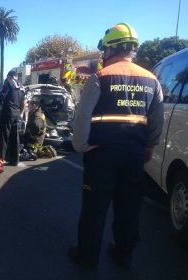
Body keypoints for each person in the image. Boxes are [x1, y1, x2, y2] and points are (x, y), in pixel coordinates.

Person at [68, 23, 164, 269]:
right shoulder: (152, 80)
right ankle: (124, 254)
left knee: (94, 209)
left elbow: (82, 117)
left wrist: (80, 145)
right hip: (133, 156)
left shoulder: (99, 77)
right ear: (132, 48)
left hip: (100, 155)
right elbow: (156, 120)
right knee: (128, 209)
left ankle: (87, 257)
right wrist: (150, 145)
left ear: (110, 49)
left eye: (103, 51)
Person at [0, 70, 26, 166]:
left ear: (9, 76)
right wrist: (20, 113)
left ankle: (0, 159)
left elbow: (2, 97)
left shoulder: (8, 82)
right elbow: (23, 103)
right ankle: (14, 160)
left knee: (3, 136)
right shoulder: (22, 87)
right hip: (16, 113)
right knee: (14, 137)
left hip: (8, 112)